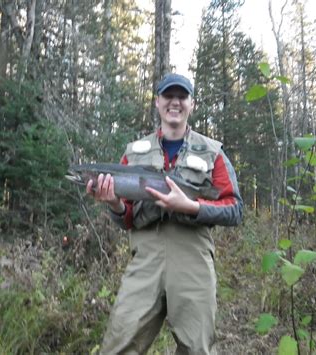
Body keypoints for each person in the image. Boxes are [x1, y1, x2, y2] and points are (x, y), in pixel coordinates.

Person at [86, 73, 243, 354]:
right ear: (157, 102)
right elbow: (128, 218)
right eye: (168, 96)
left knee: (196, 349)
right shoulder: (132, 155)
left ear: (191, 104)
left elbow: (234, 209)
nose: (175, 102)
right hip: (145, 261)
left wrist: (191, 207)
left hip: (193, 262)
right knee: (117, 346)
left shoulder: (213, 153)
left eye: (181, 97)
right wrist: (113, 204)